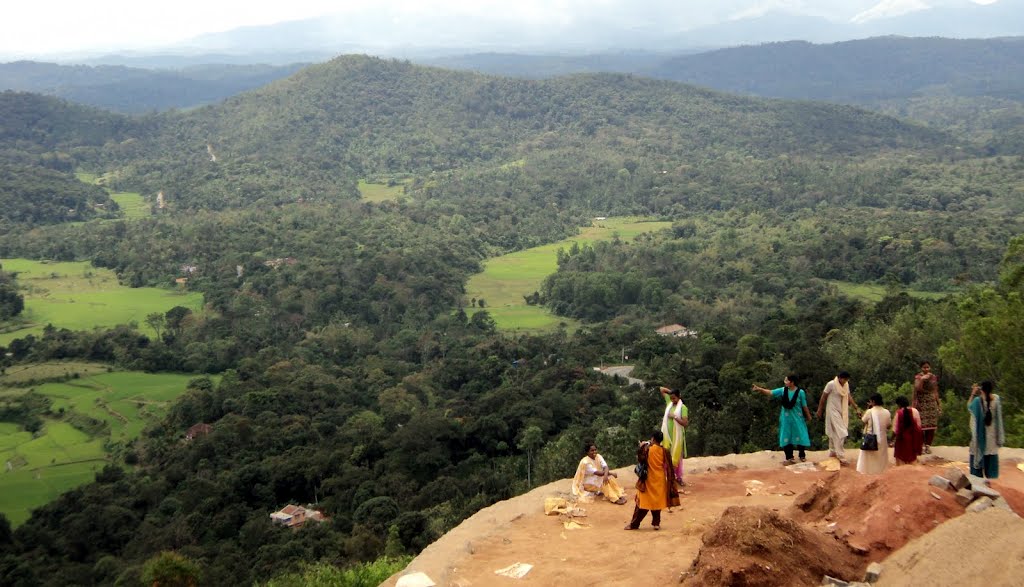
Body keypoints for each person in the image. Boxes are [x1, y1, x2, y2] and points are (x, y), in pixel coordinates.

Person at [752, 375, 812, 465]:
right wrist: (760, 389)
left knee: (800, 434)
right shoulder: (783, 390)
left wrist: (808, 416)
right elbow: (771, 392)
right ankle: (789, 457)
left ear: (792, 382)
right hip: (786, 418)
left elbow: (804, 405)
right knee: (786, 436)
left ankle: (802, 455)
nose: (785, 382)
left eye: (787, 380)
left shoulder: (800, 392)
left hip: (797, 417)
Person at [625, 431, 678, 530]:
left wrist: (641, 446)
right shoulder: (664, 451)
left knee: (642, 503)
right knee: (656, 502)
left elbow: (640, 459)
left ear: (653, 439)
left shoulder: (647, 449)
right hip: (660, 479)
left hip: (648, 479)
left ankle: (634, 524)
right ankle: (656, 523)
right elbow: (669, 467)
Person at [815, 371, 860, 463]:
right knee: (842, 432)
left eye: (847, 380)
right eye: (844, 379)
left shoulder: (846, 385)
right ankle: (841, 455)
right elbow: (823, 397)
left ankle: (833, 452)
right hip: (832, 410)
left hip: (841, 411)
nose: (845, 381)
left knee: (835, 431)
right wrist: (820, 409)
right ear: (839, 378)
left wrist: (856, 408)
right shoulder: (831, 384)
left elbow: (848, 396)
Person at [968, 381, 1005, 479]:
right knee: (991, 463)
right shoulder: (996, 399)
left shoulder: (977, 401)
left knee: (977, 457)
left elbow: (969, 407)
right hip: (992, 438)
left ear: (982, 390)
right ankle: (990, 482)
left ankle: (978, 481)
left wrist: (973, 393)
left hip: (980, 439)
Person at [856, 393, 892, 474]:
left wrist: (865, 410)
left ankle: (868, 473)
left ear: (873, 401)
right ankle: (881, 472)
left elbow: (863, 421)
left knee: (869, 457)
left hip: (870, 438)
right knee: (881, 457)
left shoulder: (869, 411)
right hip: (882, 438)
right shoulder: (886, 412)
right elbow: (889, 425)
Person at [659, 386, 688, 485]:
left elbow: (685, 423)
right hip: (667, 436)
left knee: (676, 457)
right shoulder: (669, 403)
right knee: (666, 456)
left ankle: (678, 477)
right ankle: (668, 477)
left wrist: (674, 416)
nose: (672, 400)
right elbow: (661, 389)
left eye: (674, 398)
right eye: (671, 398)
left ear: (679, 397)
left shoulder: (683, 408)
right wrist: (671, 392)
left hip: (677, 437)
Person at [912, 360, 941, 454]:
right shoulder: (918, 377)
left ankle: (928, 445)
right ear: (921, 368)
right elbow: (917, 389)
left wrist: (938, 404)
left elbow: (935, 390)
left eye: (927, 367)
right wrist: (922, 380)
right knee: (921, 426)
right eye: (924, 367)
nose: (926, 369)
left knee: (931, 425)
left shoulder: (933, 377)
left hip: (931, 402)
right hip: (921, 402)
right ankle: (922, 445)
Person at [892, 396, 923, 465]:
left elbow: (895, 430)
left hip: (901, 440)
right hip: (913, 439)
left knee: (901, 459)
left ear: (899, 404)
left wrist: (891, 439)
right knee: (912, 458)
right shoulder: (915, 411)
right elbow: (919, 426)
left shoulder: (899, 413)